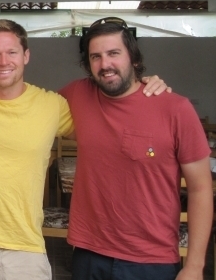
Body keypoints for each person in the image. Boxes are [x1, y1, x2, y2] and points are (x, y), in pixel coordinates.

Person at [0, 19, 170, 279]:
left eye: (12, 52)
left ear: (26, 56)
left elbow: (107, 114)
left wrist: (140, 84)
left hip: (26, 249)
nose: (4, 61)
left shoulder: (51, 105)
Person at [60, 17, 213, 280]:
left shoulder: (175, 108)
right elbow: (25, 101)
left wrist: (195, 265)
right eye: (95, 56)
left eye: (114, 53)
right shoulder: (76, 94)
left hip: (151, 260)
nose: (105, 64)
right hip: (88, 253)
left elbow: (200, 188)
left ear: (134, 58)